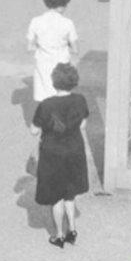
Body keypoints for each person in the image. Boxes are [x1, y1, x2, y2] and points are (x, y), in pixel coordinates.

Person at [31, 63, 89, 249]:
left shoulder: (46, 105)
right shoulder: (80, 100)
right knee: (70, 194)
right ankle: (72, 230)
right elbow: (82, 126)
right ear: (74, 82)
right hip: (74, 151)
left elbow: (34, 131)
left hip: (53, 154)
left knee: (56, 197)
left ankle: (59, 235)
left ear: (54, 82)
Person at [27, 0, 78, 102]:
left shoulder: (36, 21)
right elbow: (75, 49)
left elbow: (30, 47)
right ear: (64, 4)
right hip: (61, 67)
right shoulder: (67, 23)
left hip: (43, 65)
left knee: (44, 100)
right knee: (61, 100)